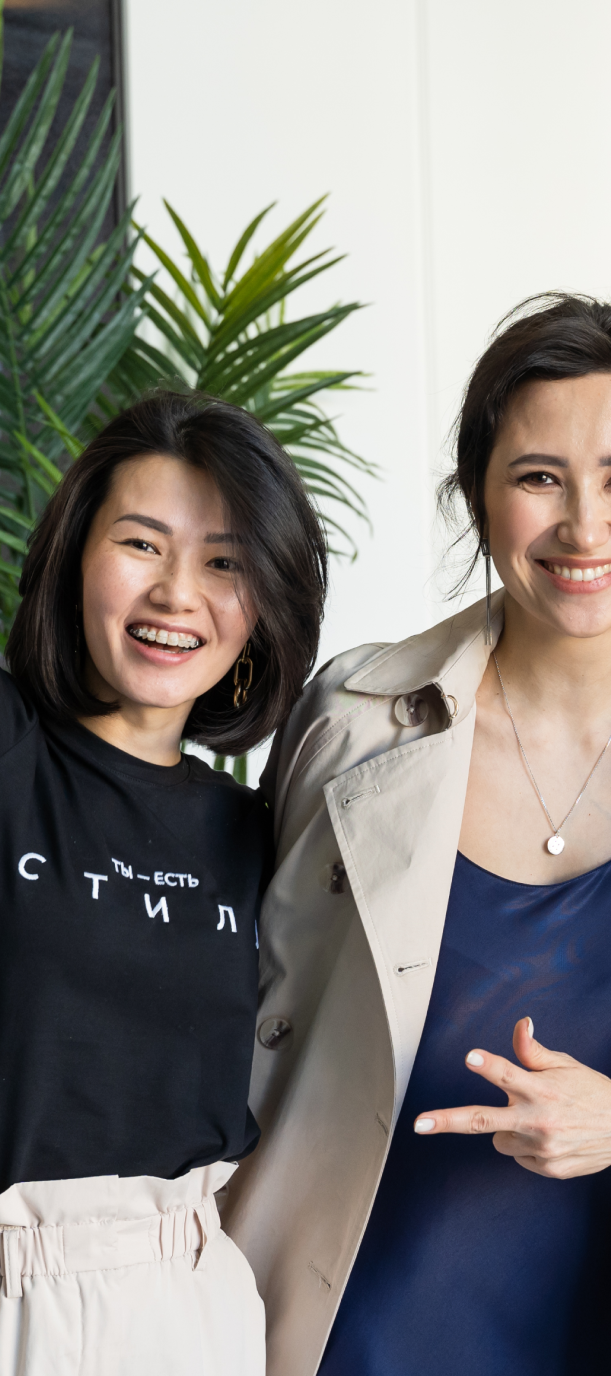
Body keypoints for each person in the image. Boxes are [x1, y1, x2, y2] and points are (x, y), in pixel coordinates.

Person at [223, 293, 611, 1376]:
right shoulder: (352, 719)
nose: (585, 527)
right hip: (355, 1334)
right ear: (478, 495)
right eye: (540, 477)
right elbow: (250, 1015)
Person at [0, 391, 326, 1376]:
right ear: (75, 557)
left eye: (225, 563)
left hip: (187, 1304)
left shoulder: (257, 830)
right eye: (141, 544)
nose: (177, 593)